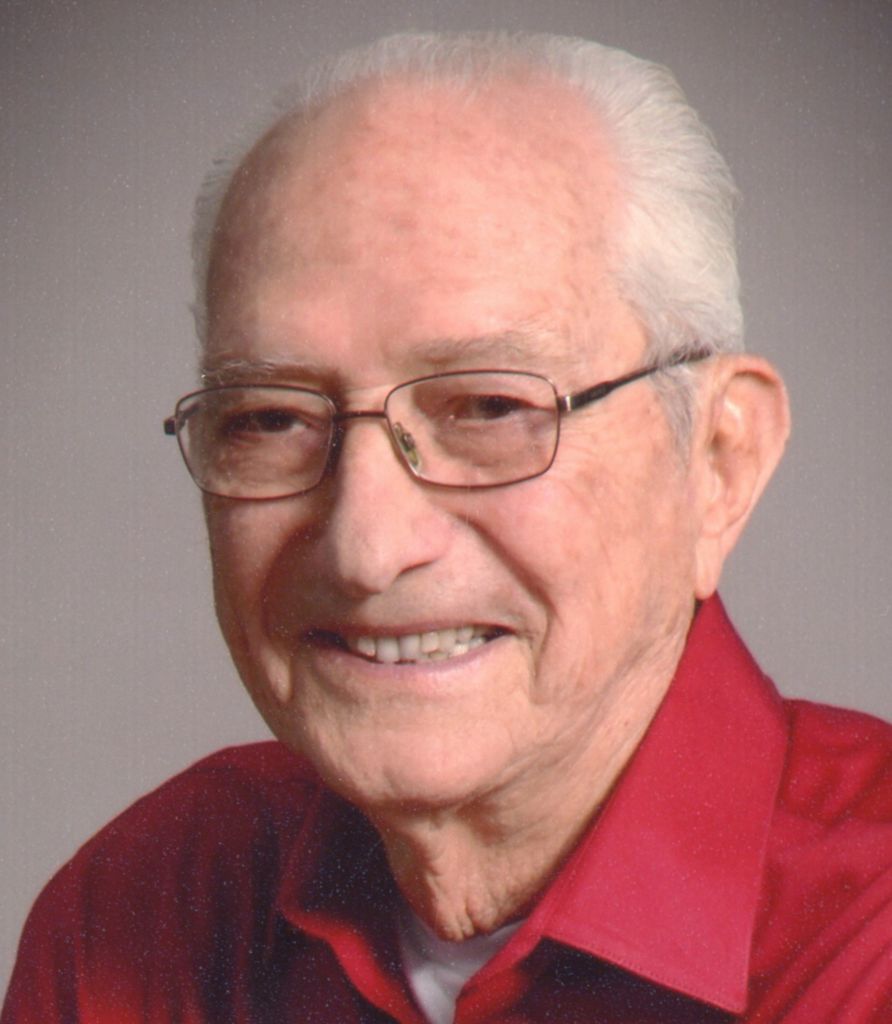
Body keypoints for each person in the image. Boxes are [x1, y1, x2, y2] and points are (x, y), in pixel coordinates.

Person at [4, 30, 892, 1024]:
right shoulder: (145, 907)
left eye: (489, 408)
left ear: (719, 461)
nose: (366, 549)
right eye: (272, 420)